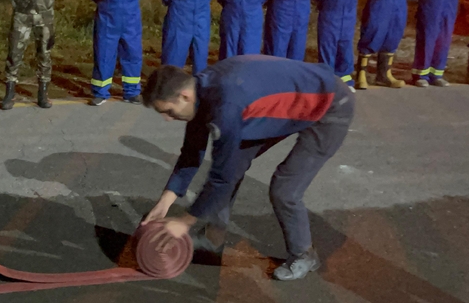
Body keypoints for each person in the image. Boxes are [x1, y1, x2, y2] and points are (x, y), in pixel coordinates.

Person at [141, 58, 354, 281]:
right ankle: (214, 238)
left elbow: (221, 178)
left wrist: (184, 222)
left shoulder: (226, 106)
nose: (167, 119)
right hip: (288, 101)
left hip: (331, 104)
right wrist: (166, 200)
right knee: (233, 167)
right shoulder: (201, 91)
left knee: (285, 189)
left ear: (184, 96)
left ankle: (304, 254)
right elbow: (192, 152)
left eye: (168, 111)